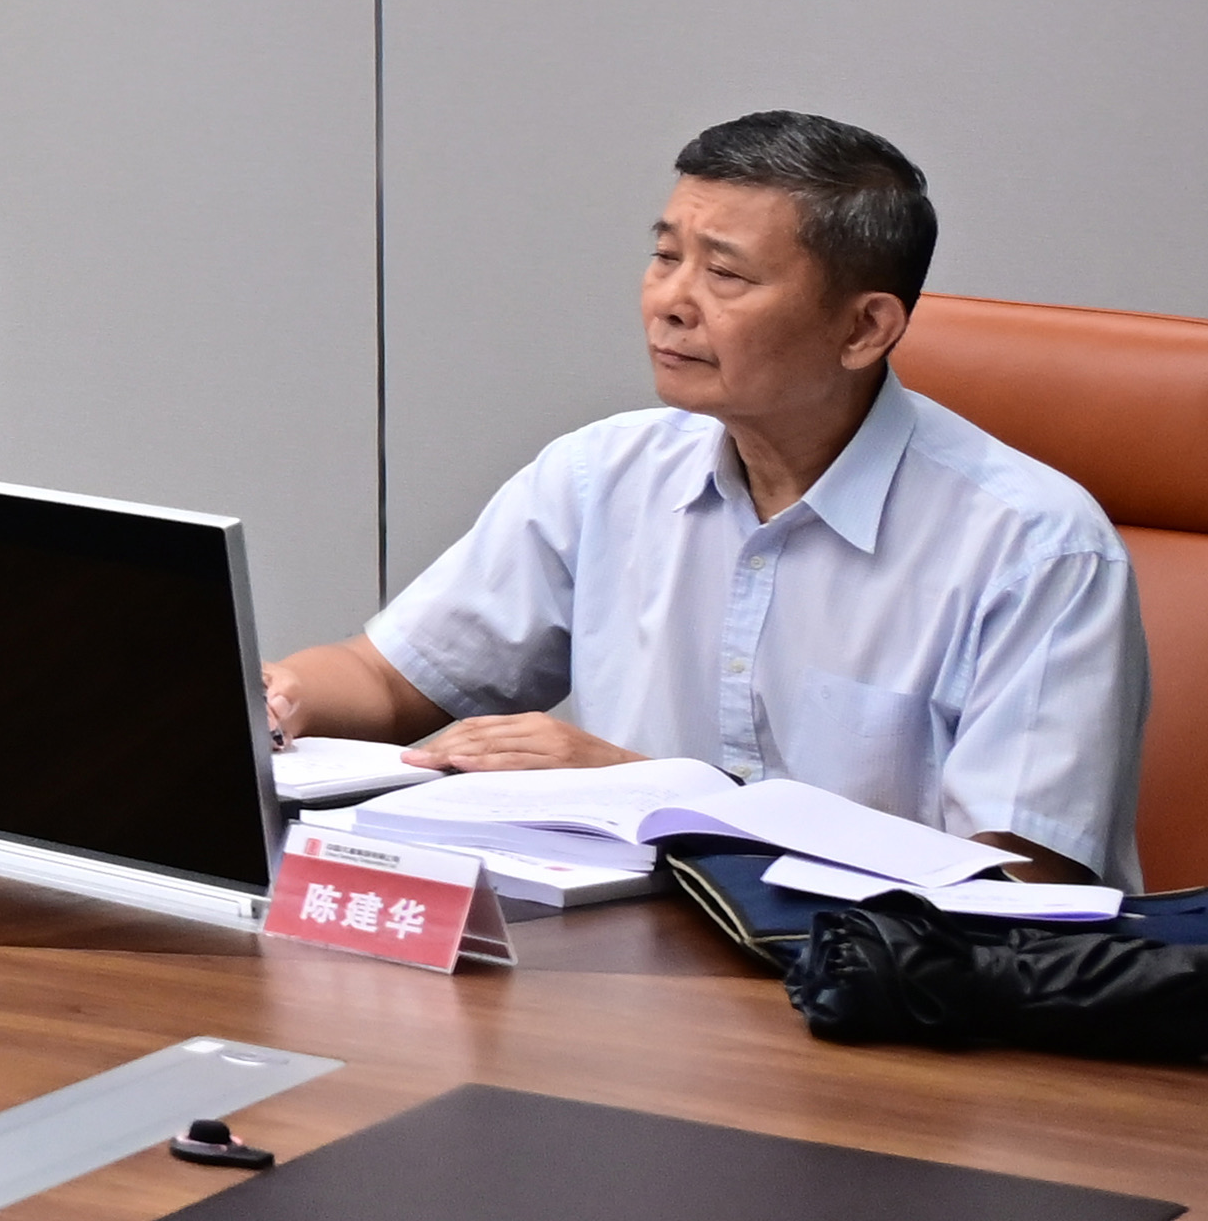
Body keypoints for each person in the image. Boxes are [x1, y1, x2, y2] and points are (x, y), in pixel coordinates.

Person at [275, 110, 1148, 881]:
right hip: (630, 963)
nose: (669, 302)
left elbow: (1018, 885)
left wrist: (656, 796)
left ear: (863, 328)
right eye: (664, 257)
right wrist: (277, 696)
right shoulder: (602, 474)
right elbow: (387, 679)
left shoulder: (1034, 546)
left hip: (893, 989)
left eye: (723, 275)